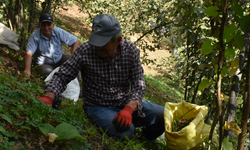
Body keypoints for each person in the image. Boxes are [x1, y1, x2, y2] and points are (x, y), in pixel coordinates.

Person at [38, 14, 165, 141]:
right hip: (98, 106)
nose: (98, 47)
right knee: (125, 131)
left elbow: (139, 83)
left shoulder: (130, 51)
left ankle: (147, 137)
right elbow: (63, 75)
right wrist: (49, 96)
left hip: (124, 102)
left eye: (103, 44)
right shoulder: (85, 50)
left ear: (118, 40)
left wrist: (129, 108)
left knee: (163, 115)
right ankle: (127, 128)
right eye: (96, 42)